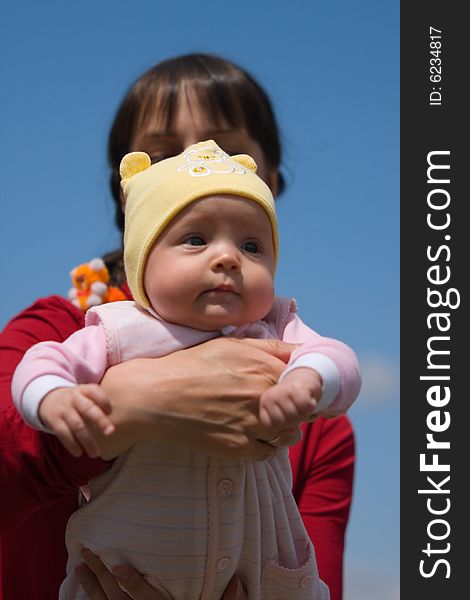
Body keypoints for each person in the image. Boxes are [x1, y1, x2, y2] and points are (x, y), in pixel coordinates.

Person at [0, 54, 357, 600]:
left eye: (228, 150)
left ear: (271, 185)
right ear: (130, 193)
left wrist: (310, 382)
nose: (200, 163)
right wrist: (126, 407)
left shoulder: (311, 410)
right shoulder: (65, 327)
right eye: (163, 154)